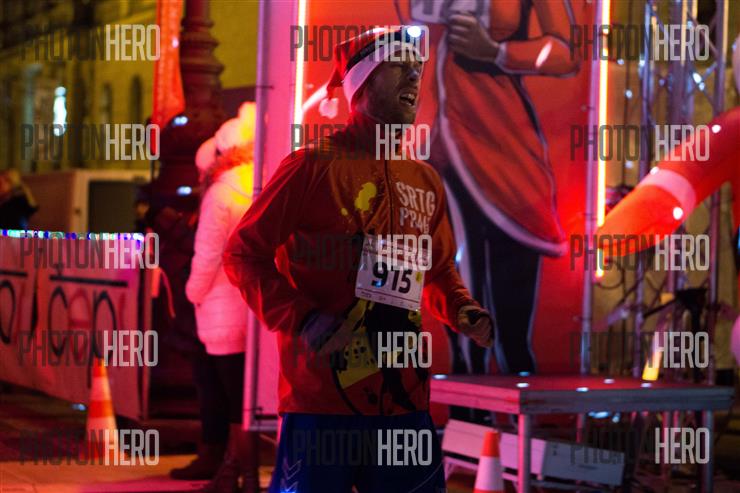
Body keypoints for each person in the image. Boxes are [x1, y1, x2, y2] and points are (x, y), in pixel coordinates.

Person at [224, 28, 492, 493]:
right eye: (398, 65)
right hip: (323, 401)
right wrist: (304, 319)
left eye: (418, 67)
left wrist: (462, 308)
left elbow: (437, 269)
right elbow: (243, 254)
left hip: (404, 398)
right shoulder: (312, 166)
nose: (414, 75)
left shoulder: (425, 179)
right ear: (361, 83)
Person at [178, 103, 257, 493]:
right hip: (252, 307)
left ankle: (234, 473)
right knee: (247, 396)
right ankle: (243, 473)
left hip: (220, 310)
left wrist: (192, 292)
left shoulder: (220, 194)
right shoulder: (257, 183)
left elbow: (207, 254)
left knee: (228, 396)